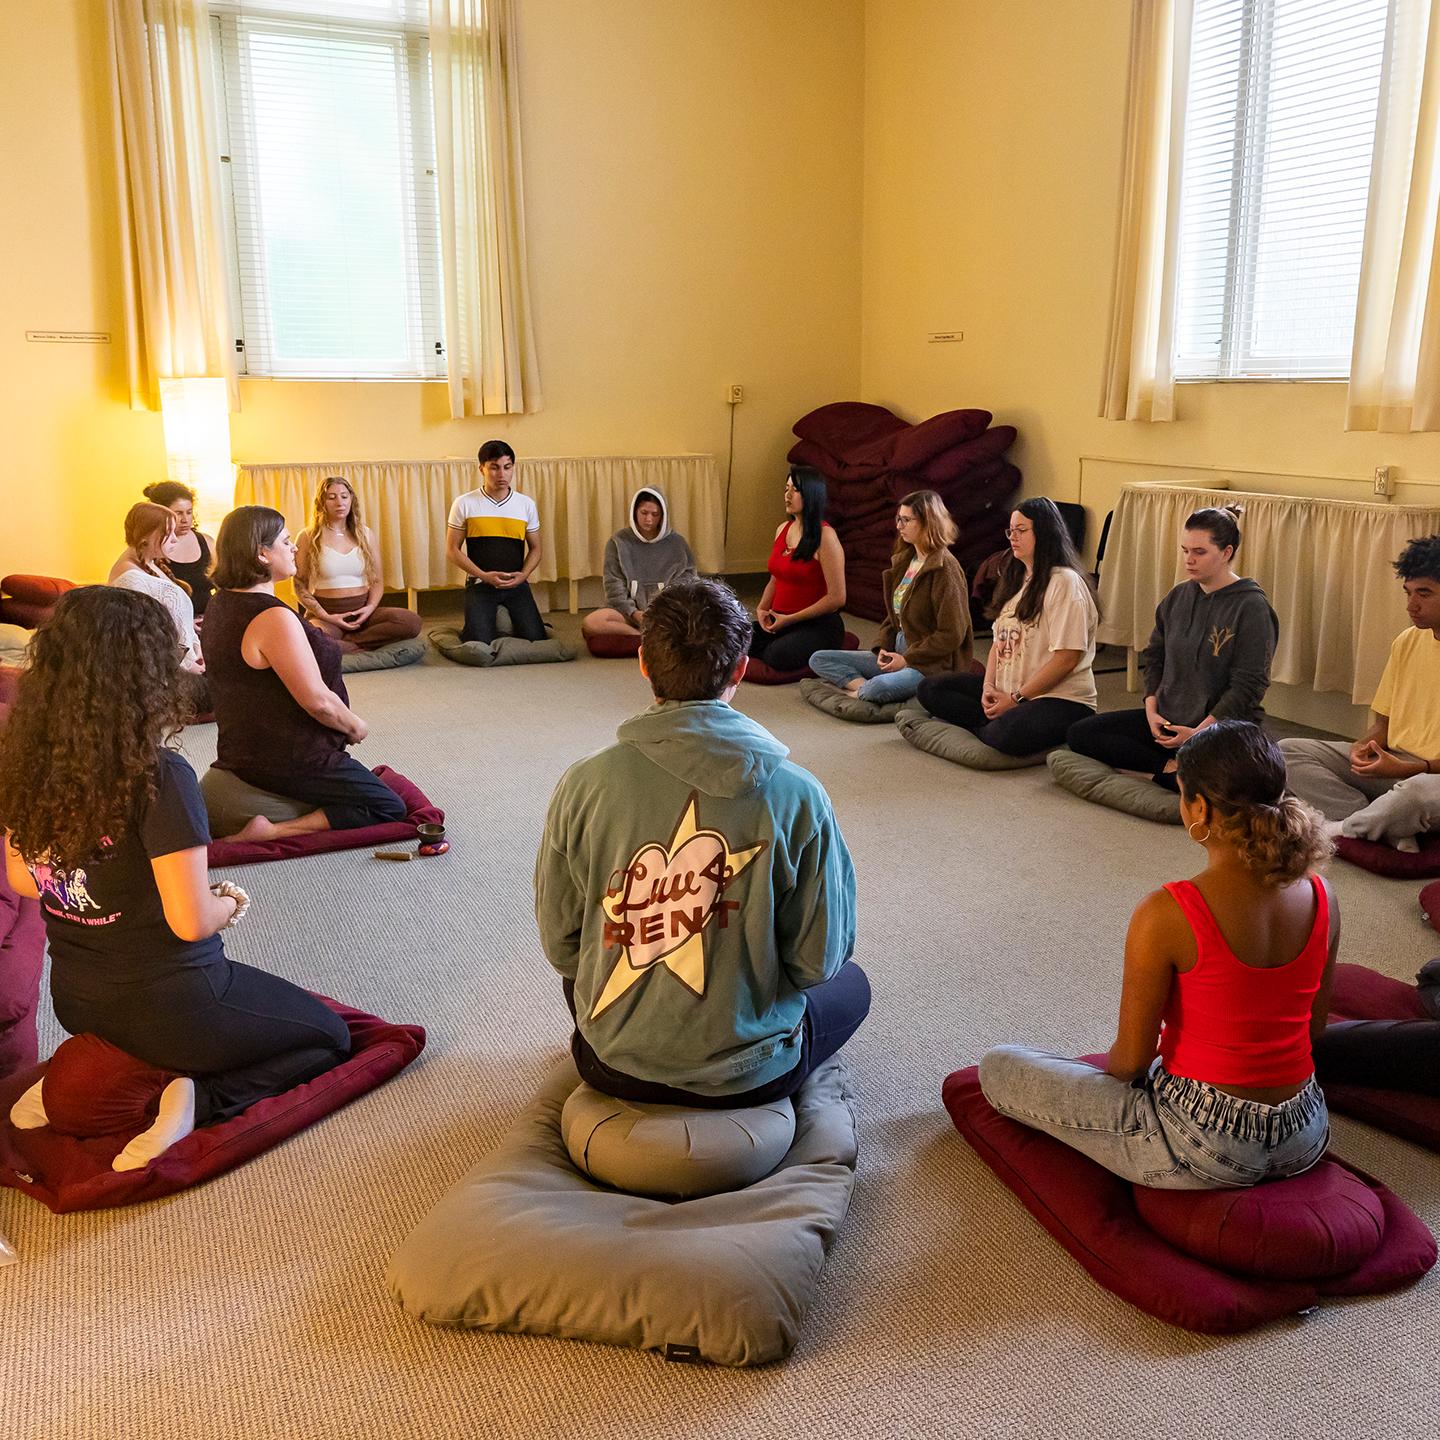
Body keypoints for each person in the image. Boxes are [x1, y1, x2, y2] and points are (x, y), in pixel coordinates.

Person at [0, 587, 351, 1172]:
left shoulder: (21, 759)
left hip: (77, 1000)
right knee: (327, 1036)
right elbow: (190, 922)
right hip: (174, 1002)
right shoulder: (160, 774)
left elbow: (26, 880)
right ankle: (195, 1097)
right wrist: (229, 900)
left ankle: (93, 1078)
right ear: (144, 675)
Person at [535, 578, 869, 1106]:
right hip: (751, 1075)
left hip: (612, 1065)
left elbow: (562, 946)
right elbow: (817, 963)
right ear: (741, 669)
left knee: (586, 968)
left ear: (643, 662)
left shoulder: (582, 784)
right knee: (854, 985)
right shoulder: (801, 795)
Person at [979, 721, 1336, 1189]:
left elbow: (1129, 1062)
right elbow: (1314, 1028)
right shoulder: (1324, 894)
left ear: (1200, 809)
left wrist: (1097, 1081)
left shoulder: (1168, 912)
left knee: (999, 1066)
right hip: (1304, 1131)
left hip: (1203, 1141)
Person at [203, 506, 406, 841]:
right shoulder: (271, 618)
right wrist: (355, 726)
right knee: (388, 806)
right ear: (262, 553)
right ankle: (270, 831)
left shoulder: (221, 602)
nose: (295, 547)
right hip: (288, 757)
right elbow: (317, 702)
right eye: (285, 541)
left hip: (245, 747)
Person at [1067, 506, 1278, 790]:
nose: (1189, 560)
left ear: (1227, 552)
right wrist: (1151, 711)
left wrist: (1196, 734)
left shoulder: (1251, 607)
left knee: (1240, 782)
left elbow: (1248, 686)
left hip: (1218, 729)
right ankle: (1168, 770)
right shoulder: (1178, 595)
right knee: (1081, 733)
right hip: (1167, 721)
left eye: (1199, 552)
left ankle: (1160, 771)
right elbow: (1155, 658)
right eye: (1185, 550)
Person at [1281, 534, 1440, 851]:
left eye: (1424, 594)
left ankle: (1342, 828)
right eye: (1408, 593)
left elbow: (1419, 779)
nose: (1411, 605)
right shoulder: (1407, 641)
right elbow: (1383, 724)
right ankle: (1386, 824)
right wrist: (1362, 747)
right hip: (1395, 766)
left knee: (1417, 793)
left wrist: (1412, 769)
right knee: (1287, 751)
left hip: (1427, 777)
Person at [917, 497, 1098, 755]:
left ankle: (994, 725)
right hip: (1010, 692)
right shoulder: (1016, 578)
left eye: (1021, 530)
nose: (1013, 537)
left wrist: (1016, 700)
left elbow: (1067, 658)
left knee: (1005, 735)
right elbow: (997, 645)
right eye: (1011, 530)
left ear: (1045, 534)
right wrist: (989, 687)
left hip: (1058, 699)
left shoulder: (1065, 582)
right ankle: (994, 720)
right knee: (930, 688)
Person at [808, 490, 972, 705]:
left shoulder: (945, 569)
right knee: (819, 659)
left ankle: (870, 688)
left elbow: (952, 634)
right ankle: (862, 688)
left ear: (927, 522)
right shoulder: (906, 560)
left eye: (906, 520)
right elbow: (893, 618)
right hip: (898, 651)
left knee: (879, 688)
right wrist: (883, 649)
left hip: (929, 662)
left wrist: (907, 660)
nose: (899, 526)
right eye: (898, 519)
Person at [293, 476, 422, 652]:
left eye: (344, 496)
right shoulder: (307, 536)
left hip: (362, 613)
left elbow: (376, 581)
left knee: (411, 622)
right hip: (326, 615)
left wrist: (369, 609)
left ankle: (351, 643)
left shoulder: (365, 534)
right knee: (314, 637)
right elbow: (299, 584)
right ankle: (353, 644)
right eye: (332, 497)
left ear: (351, 499)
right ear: (321, 502)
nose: (340, 502)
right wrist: (326, 616)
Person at [108, 501, 209, 712]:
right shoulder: (131, 580)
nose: (174, 540)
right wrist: (187, 663)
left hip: (184, 660)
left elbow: (166, 617)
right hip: (165, 673)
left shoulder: (151, 564)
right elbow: (142, 639)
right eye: (168, 533)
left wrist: (193, 638)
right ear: (148, 536)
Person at [445, 440, 547, 644]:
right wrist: (483, 575)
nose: (502, 474)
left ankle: (504, 620)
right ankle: (494, 621)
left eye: (507, 467)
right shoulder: (464, 503)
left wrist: (523, 576)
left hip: (516, 583)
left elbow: (536, 548)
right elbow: (452, 550)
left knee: (536, 638)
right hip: (480, 583)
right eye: (494, 467)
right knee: (479, 642)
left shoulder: (525, 504)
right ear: (481, 468)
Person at [748, 468, 847, 673]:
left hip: (816, 624)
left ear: (811, 494)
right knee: (731, 638)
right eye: (786, 489)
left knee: (777, 656)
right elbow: (776, 577)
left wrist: (790, 620)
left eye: (796, 490)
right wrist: (762, 609)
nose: (788, 495)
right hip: (781, 620)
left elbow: (837, 598)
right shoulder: (782, 528)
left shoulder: (825, 536)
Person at [581, 488, 698, 641]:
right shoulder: (618, 542)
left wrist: (660, 613)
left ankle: (649, 638)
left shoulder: (678, 544)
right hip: (628, 614)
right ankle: (644, 639)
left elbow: (686, 585)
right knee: (592, 623)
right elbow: (614, 586)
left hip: (665, 614)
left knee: (699, 623)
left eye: (655, 514)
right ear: (634, 512)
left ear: (662, 516)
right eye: (644, 513)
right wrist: (635, 613)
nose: (648, 519)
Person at [143, 480, 216, 619]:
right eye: (178, 513)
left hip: (208, 621)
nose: (185, 519)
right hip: (169, 625)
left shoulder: (207, 542)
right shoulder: (151, 549)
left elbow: (223, 587)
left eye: (189, 512)